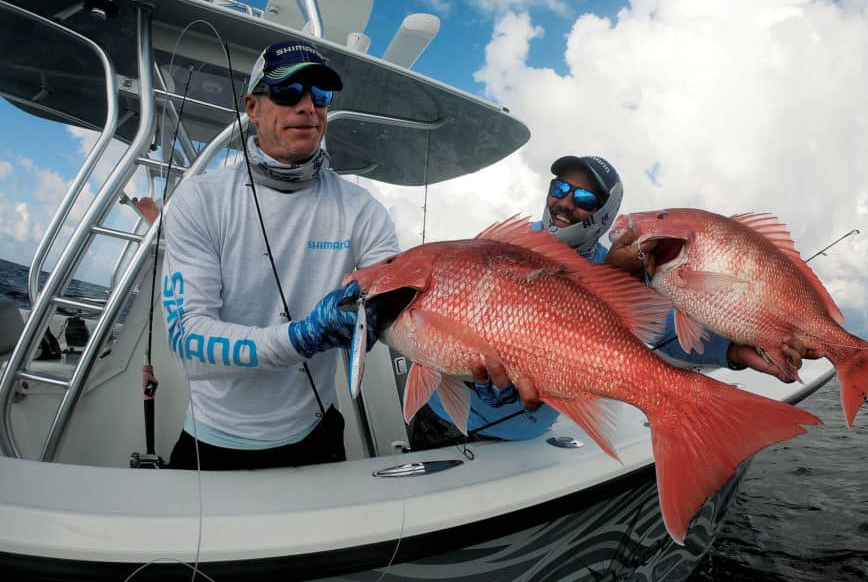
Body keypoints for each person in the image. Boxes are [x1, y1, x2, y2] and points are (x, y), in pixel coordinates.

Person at [413, 154, 821, 447]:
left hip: (523, 441)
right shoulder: (499, 249)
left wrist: (733, 350)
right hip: (444, 419)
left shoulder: (610, 272)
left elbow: (660, 327)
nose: (566, 203)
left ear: (605, 216)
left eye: (585, 200)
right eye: (560, 189)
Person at [161, 40, 399, 470]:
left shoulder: (362, 209)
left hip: (318, 433)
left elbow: (396, 312)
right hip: (213, 443)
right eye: (288, 92)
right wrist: (302, 337)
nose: (307, 106)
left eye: (319, 95)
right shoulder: (200, 200)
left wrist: (474, 360)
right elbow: (187, 343)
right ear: (252, 107)